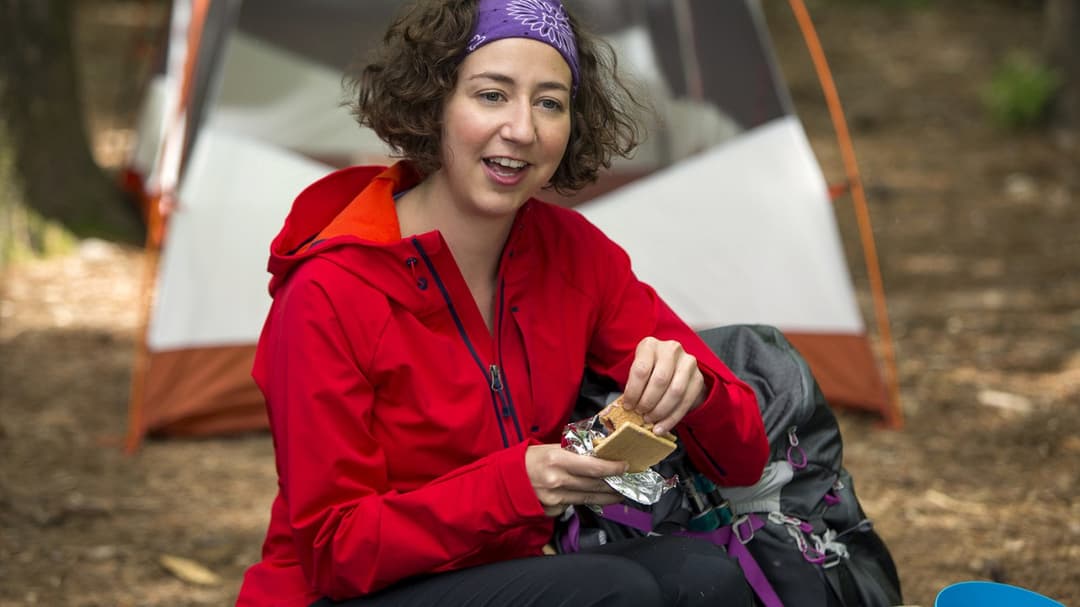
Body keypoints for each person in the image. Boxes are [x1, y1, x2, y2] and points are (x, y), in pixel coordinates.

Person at [236, 0, 769, 605]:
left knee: (703, 576)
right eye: (492, 95)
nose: (522, 129)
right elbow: (336, 550)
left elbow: (744, 457)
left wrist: (694, 390)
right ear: (434, 102)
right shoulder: (330, 290)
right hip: (345, 592)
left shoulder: (574, 256)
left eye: (550, 102)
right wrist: (515, 485)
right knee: (617, 591)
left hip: (510, 573)